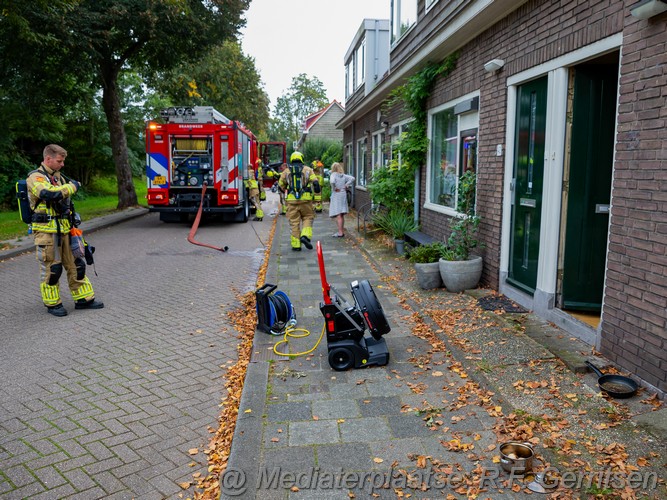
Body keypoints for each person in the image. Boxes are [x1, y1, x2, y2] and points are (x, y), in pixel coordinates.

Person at [27, 144, 104, 317]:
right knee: (52, 270)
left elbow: (64, 202)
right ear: (48, 159)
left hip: (66, 230)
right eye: (59, 161)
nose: (62, 165)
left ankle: (84, 299)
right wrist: (72, 187)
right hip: (47, 233)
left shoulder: (59, 177)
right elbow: (48, 194)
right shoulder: (35, 177)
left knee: (77, 265)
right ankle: (53, 304)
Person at [278, 152, 320, 251]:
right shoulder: (308, 170)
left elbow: (280, 185)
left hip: (291, 201)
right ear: (302, 158)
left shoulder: (286, 171)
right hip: (305, 200)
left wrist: (285, 191)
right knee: (308, 217)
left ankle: (296, 245)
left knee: (294, 222)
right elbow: (315, 182)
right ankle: (305, 236)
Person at [328, 162, 355, 238]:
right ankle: (341, 231)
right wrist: (346, 185)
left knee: (338, 214)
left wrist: (334, 188)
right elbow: (352, 178)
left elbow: (332, 181)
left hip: (337, 194)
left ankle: (340, 232)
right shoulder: (342, 175)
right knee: (341, 214)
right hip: (343, 194)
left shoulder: (333, 175)